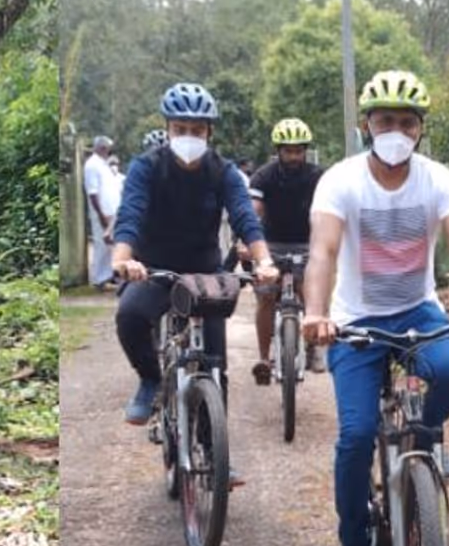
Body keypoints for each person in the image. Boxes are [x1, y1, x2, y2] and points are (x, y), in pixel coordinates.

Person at [303, 70, 449, 546]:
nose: (395, 130)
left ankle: (426, 438)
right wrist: (315, 312)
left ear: (420, 129)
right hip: (355, 318)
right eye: (384, 120)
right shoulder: (340, 180)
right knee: (355, 437)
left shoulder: (438, 179)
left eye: (406, 121)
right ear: (365, 125)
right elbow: (323, 252)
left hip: (418, 310)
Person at [111, 82, 278, 484]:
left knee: (215, 366)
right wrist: (123, 259)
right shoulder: (146, 167)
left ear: (210, 133)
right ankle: (151, 379)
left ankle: (214, 448)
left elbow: (245, 218)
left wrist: (264, 260)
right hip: (152, 268)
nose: (189, 137)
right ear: (168, 129)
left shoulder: (224, 172)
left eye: (197, 130)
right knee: (131, 315)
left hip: (203, 273)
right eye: (181, 128)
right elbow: (130, 215)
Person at [248, 117, 326, 385]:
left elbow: (330, 211)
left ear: (305, 150)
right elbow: (253, 211)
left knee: (309, 292)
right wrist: (246, 242)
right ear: (278, 151)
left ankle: (314, 347)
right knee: (266, 297)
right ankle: (263, 357)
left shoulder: (318, 176)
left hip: (307, 244)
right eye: (288, 150)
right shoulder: (264, 175)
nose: (294, 156)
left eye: (299, 150)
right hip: (271, 245)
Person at [83, 135, 115, 289]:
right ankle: (98, 279)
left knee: (110, 246)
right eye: (106, 148)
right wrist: (101, 215)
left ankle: (108, 275)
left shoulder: (103, 164)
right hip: (102, 211)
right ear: (100, 148)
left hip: (111, 210)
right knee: (101, 245)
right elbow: (92, 192)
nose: (107, 151)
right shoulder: (92, 165)